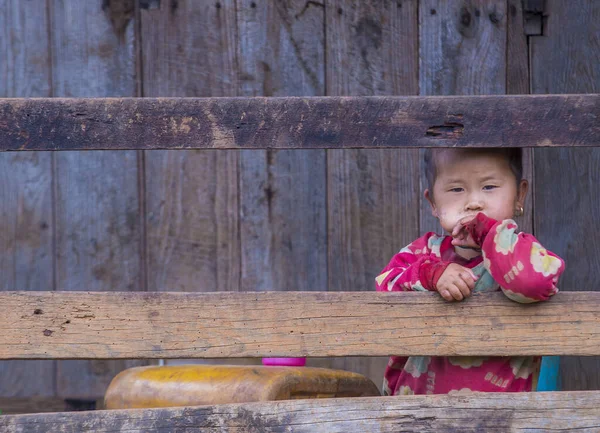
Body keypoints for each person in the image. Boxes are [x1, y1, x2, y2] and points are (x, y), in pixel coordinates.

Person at [375, 148, 565, 396]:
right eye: (456, 189)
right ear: (433, 202)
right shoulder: (423, 253)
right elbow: (383, 289)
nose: (474, 202)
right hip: (417, 414)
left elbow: (532, 282)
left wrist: (488, 234)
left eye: (489, 187)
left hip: (503, 418)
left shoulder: (524, 253)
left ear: (520, 194)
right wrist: (431, 275)